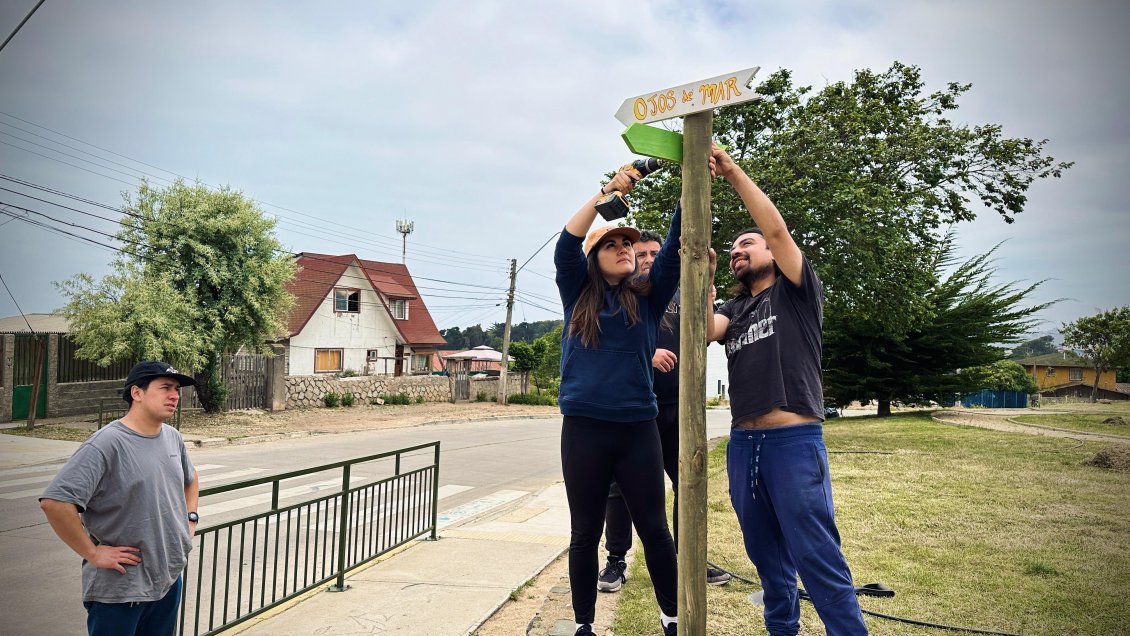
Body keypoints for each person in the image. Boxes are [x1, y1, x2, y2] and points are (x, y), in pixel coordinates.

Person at [706, 146, 869, 636]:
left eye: (746, 244)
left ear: (772, 254)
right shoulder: (733, 313)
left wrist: (732, 172)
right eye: (733, 248)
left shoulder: (795, 291)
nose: (738, 250)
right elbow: (700, 328)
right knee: (767, 560)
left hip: (792, 443)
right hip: (744, 447)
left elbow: (776, 230)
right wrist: (705, 274)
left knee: (816, 555)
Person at [555, 169, 681, 636]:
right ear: (596, 258)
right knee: (585, 533)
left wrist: (691, 175)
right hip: (584, 429)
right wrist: (607, 194)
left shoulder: (648, 297)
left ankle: (671, 619)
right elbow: (566, 243)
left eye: (628, 244)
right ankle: (584, 624)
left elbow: (672, 245)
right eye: (613, 244)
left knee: (654, 529)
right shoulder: (576, 293)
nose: (625, 248)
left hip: (636, 429)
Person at [597, 230, 732, 593]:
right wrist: (647, 354)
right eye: (641, 254)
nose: (648, 260)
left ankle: (689, 558)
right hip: (635, 410)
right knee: (620, 490)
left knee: (688, 483)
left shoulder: (677, 293)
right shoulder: (619, 296)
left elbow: (706, 333)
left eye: (655, 253)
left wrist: (708, 280)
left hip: (679, 408)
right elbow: (608, 343)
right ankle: (616, 559)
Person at [40, 361, 200, 636]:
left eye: (176, 389)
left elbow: (191, 478)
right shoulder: (106, 443)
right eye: (165, 388)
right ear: (137, 393)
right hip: (121, 590)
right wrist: (91, 552)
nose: (175, 395)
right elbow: (55, 502)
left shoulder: (172, 437)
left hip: (167, 581)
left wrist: (190, 518)